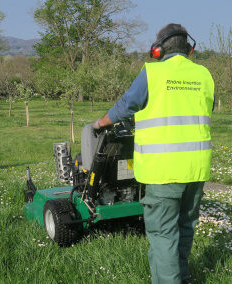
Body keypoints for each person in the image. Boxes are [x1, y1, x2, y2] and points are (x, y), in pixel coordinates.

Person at [92, 23, 214, 284]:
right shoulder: (205, 75)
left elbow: (126, 105)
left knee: (163, 234)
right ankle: (183, 276)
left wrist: (99, 123)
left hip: (164, 171)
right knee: (185, 227)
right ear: (189, 49)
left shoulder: (152, 74)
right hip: (196, 169)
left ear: (158, 50)